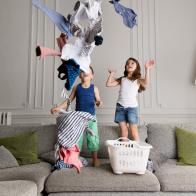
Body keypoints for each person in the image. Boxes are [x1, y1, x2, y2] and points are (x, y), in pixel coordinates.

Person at [51, 66, 102, 167]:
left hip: (91, 118)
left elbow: (99, 100)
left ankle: (95, 159)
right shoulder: (77, 87)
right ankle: (74, 158)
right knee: (76, 139)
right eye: (82, 71)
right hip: (78, 118)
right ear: (79, 75)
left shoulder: (94, 88)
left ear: (92, 75)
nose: (84, 72)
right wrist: (59, 107)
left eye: (87, 71)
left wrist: (99, 102)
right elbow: (69, 101)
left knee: (93, 138)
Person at [106, 57, 154, 141]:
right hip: (120, 107)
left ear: (137, 67)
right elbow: (108, 84)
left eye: (132, 63)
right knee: (124, 133)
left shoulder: (138, 80)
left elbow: (146, 83)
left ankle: (137, 153)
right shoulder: (122, 79)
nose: (129, 65)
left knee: (134, 132)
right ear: (125, 67)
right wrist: (112, 73)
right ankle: (124, 152)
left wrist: (147, 69)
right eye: (127, 63)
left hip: (132, 108)